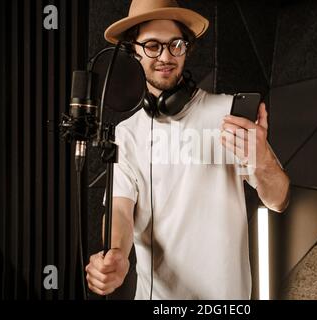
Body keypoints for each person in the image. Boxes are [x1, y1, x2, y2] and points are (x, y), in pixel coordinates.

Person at [85, 0, 290, 300]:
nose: (166, 56)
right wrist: (115, 253)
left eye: (175, 45)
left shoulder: (229, 113)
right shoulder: (126, 134)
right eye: (152, 46)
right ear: (133, 51)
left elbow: (279, 200)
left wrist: (263, 160)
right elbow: (120, 210)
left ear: (187, 48)